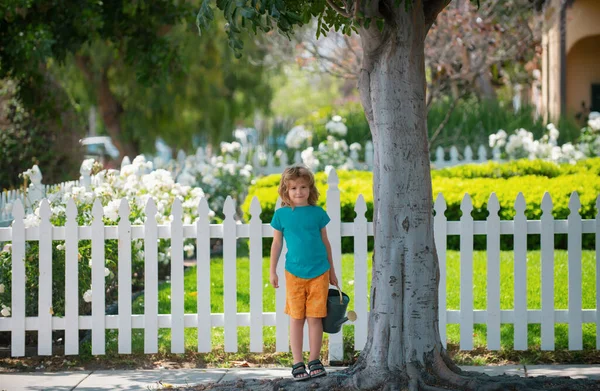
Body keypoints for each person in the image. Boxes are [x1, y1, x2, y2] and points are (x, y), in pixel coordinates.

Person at [269, 164, 338, 381]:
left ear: (310, 189)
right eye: (293, 188)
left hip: (320, 272)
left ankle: (315, 360)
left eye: (303, 187)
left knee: (315, 317)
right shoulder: (281, 215)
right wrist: (273, 271)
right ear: (285, 191)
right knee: (297, 318)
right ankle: (297, 362)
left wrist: (332, 271)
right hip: (294, 274)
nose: (299, 192)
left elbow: (326, 242)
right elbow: (276, 244)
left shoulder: (318, 213)